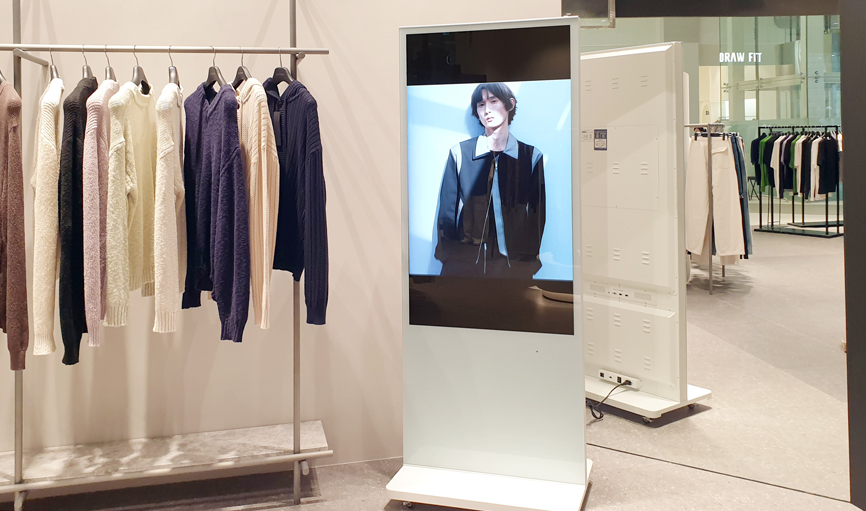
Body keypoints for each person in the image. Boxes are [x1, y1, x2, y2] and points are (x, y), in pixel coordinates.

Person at [434, 82, 546, 278]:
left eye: (493, 101)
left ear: (510, 104)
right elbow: (447, 213)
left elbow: (537, 214)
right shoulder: (460, 153)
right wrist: (449, 258)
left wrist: (528, 262)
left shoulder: (530, 156)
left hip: (513, 266)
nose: (487, 110)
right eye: (481, 104)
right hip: (465, 266)